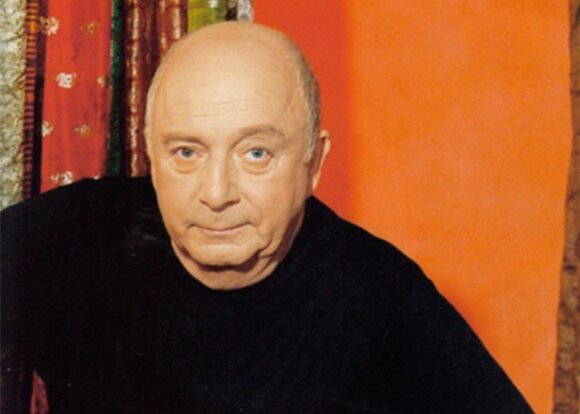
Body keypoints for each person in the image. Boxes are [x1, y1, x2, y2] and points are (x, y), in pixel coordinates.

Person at [1, 22, 532, 413]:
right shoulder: (76, 236)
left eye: (256, 153)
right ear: (151, 156)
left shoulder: (381, 295)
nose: (216, 194)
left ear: (314, 162)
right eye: (186, 152)